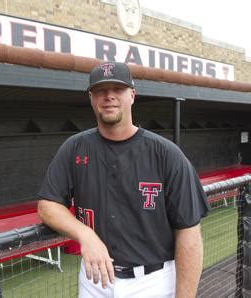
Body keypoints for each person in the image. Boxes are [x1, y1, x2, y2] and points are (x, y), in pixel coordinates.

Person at [37, 61, 210, 298]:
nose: (109, 97)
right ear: (91, 98)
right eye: (100, 91)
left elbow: (189, 233)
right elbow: (47, 205)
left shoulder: (166, 154)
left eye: (117, 89)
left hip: (153, 281)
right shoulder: (74, 148)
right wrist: (86, 235)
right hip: (94, 280)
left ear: (132, 95)